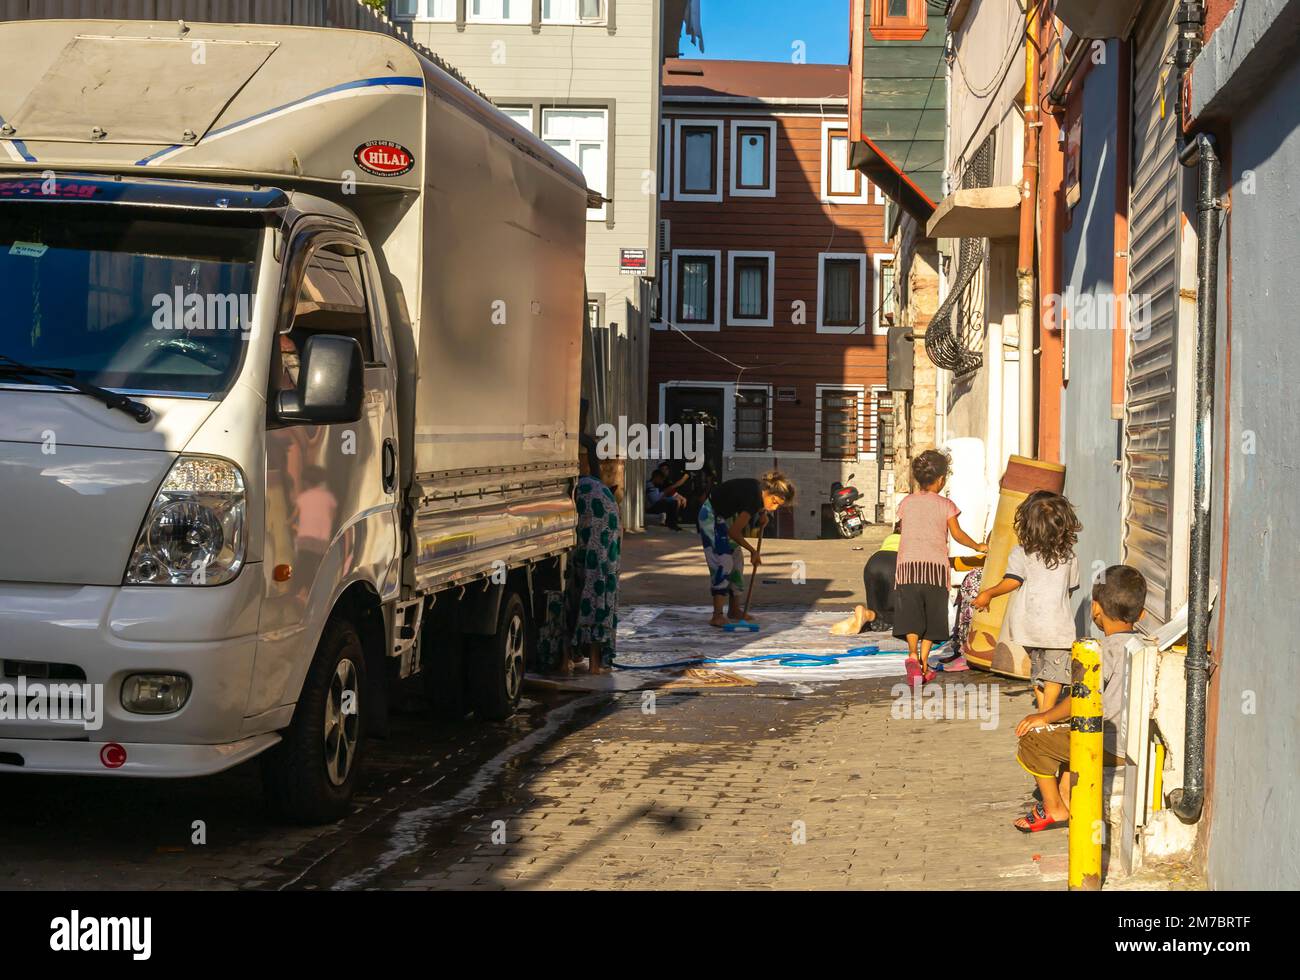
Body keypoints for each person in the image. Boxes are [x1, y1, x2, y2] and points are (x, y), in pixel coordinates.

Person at [1011, 564, 1145, 832]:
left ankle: (1055, 809)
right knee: (1066, 734)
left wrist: (1043, 717)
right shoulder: (1143, 644)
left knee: (1033, 739)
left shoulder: (1098, 651)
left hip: (1107, 745)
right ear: (1141, 613)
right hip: (1132, 743)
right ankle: (1067, 795)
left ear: (1095, 608)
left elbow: (1078, 702)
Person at [972, 491, 1082, 712]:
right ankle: (1046, 714)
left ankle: (1043, 713)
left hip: (1027, 625)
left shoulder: (1021, 553)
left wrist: (989, 593)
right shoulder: (1068, 557)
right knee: (1055, 676)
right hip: (1057, 627)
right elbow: (1070, 591)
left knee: (1038, 670)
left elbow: (1012, 581)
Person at [893, 449, 987, 684]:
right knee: (932, 618)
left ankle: (913, 658)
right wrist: (978, 546)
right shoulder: (947, 505)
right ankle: (924, 662)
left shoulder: (906, 503)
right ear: (942, 479)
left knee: (912, 616)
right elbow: (957, 534)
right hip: (934, 571)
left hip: (907, 569)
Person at [697, 471, 795, 628]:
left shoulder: (760, 492)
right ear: (769, 493)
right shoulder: (753, 499)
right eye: (774, 502)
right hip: (711, 515)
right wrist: (753, 551)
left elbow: (756, 504)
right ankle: (717, 615)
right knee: (723, 562)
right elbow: (734, 532)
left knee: (737, 562)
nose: (774, 508)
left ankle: (734, 610)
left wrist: (763, 513)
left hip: (726, 517)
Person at [562, 435, 621, 675]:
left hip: (590, 538)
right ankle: (595, 663)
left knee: (574, 588)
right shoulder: (599, 489)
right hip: (602, 547)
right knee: (598, 588)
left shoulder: (578, 487)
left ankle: (569, 658)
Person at [830, 523, 900, 635]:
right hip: (894, 563)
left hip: (873, 562)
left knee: (877, 609)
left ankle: (867, 615)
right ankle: (871, 616)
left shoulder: (890, 538)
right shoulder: (912, 540)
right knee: (900, 613)